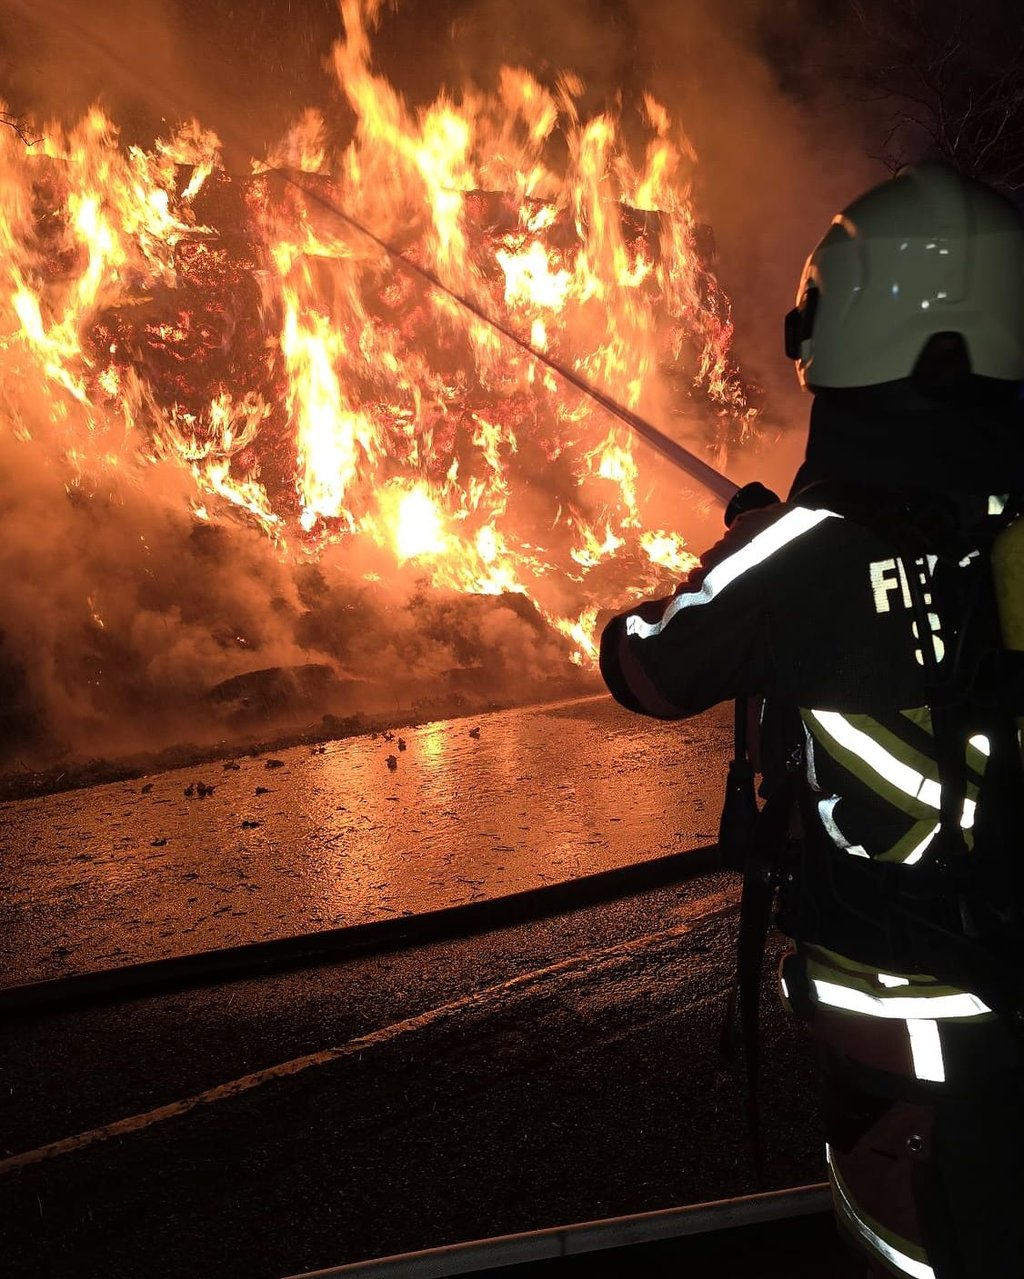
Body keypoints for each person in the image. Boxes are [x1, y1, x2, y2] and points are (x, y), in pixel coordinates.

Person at [599, 162, 1024, 1278]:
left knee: (921, 1244)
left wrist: (749, 545)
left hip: (906, 1027)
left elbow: (645, 667)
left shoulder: (802, 555)